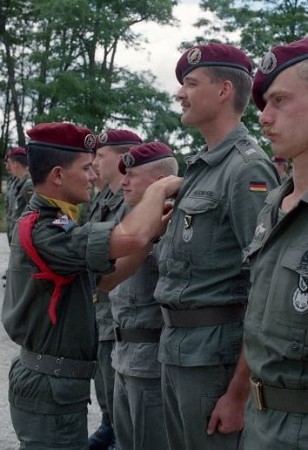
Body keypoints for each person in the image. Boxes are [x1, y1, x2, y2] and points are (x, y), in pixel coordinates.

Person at [1, 122, 181, 450]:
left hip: (56, 385)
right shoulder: (46, 230)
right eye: (85, 168)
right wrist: (159, 189)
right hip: (49, 387)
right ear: (58, 175)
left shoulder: (58, 222)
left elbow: (106, 279)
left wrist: (152, 234)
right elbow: (130, 235)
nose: (92, 175)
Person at [152, 42, 281, 450]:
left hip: (214, 361)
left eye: (190, 83)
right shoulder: (203, 167)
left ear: (224, 90)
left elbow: (265, 285)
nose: (180, 93)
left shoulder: (247, 169)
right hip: (177, 351)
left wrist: (239, 392)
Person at [242, 37, 308, 450]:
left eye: (278, 101)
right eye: (263, 104)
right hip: (261, 422)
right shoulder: (274, 204)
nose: (264, 118)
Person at [99, 142, 179, 450]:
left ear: (160, 182)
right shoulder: (133, 221)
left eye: (131, 174)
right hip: (123, 357)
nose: (124, 182)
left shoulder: (170, 226)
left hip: (150, 363)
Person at [88, 129, 143, 450]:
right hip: (102, 314)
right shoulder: (103, 200)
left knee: (122, 412)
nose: (94, 162)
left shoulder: (132, 200)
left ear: (122, 157)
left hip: (119, 316)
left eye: (100, 155)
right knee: (108, 399)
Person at [6, 146, 34, 241]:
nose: (9, 167)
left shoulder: (28, 184)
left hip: (23, 237)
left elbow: (37, 210)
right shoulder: (18, 182)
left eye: (10, 163)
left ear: (16, 164)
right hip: (16, 236)